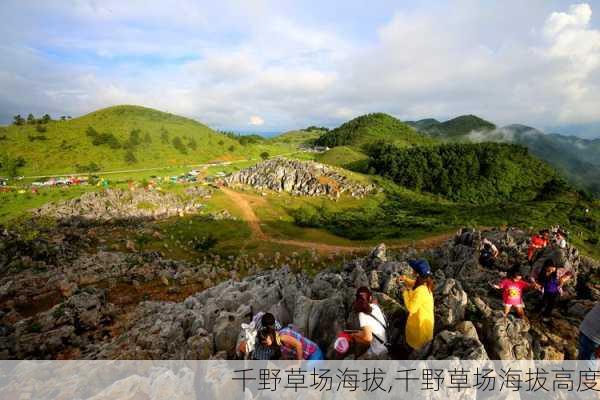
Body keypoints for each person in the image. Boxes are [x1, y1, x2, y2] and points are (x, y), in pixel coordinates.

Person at [398, 259, 435, 351]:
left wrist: (405, 292)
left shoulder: (421, 291)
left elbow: (411, 308)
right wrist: (405, 279)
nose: (412, 271)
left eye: (414, 270)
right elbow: (414, 284)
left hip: (419, 332)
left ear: (417, 274)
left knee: (413, 353)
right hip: (424, 328)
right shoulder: (425, 283)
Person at [350, 287, 388, 357]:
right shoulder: (375, 307)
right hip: (386, 345)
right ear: (370, 298)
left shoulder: (362, 315)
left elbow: (368, 339)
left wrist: (354, 337)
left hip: (377, 352)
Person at [257, 326, 324, 360]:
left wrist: (298, 365)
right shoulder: (278, 344)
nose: (265, 344)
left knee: (308, 375)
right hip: (307, 358)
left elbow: (299, 345)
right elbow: (286, 357)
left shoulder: (282, 336)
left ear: (270, 336)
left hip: (313, 353)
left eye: (265, 341)